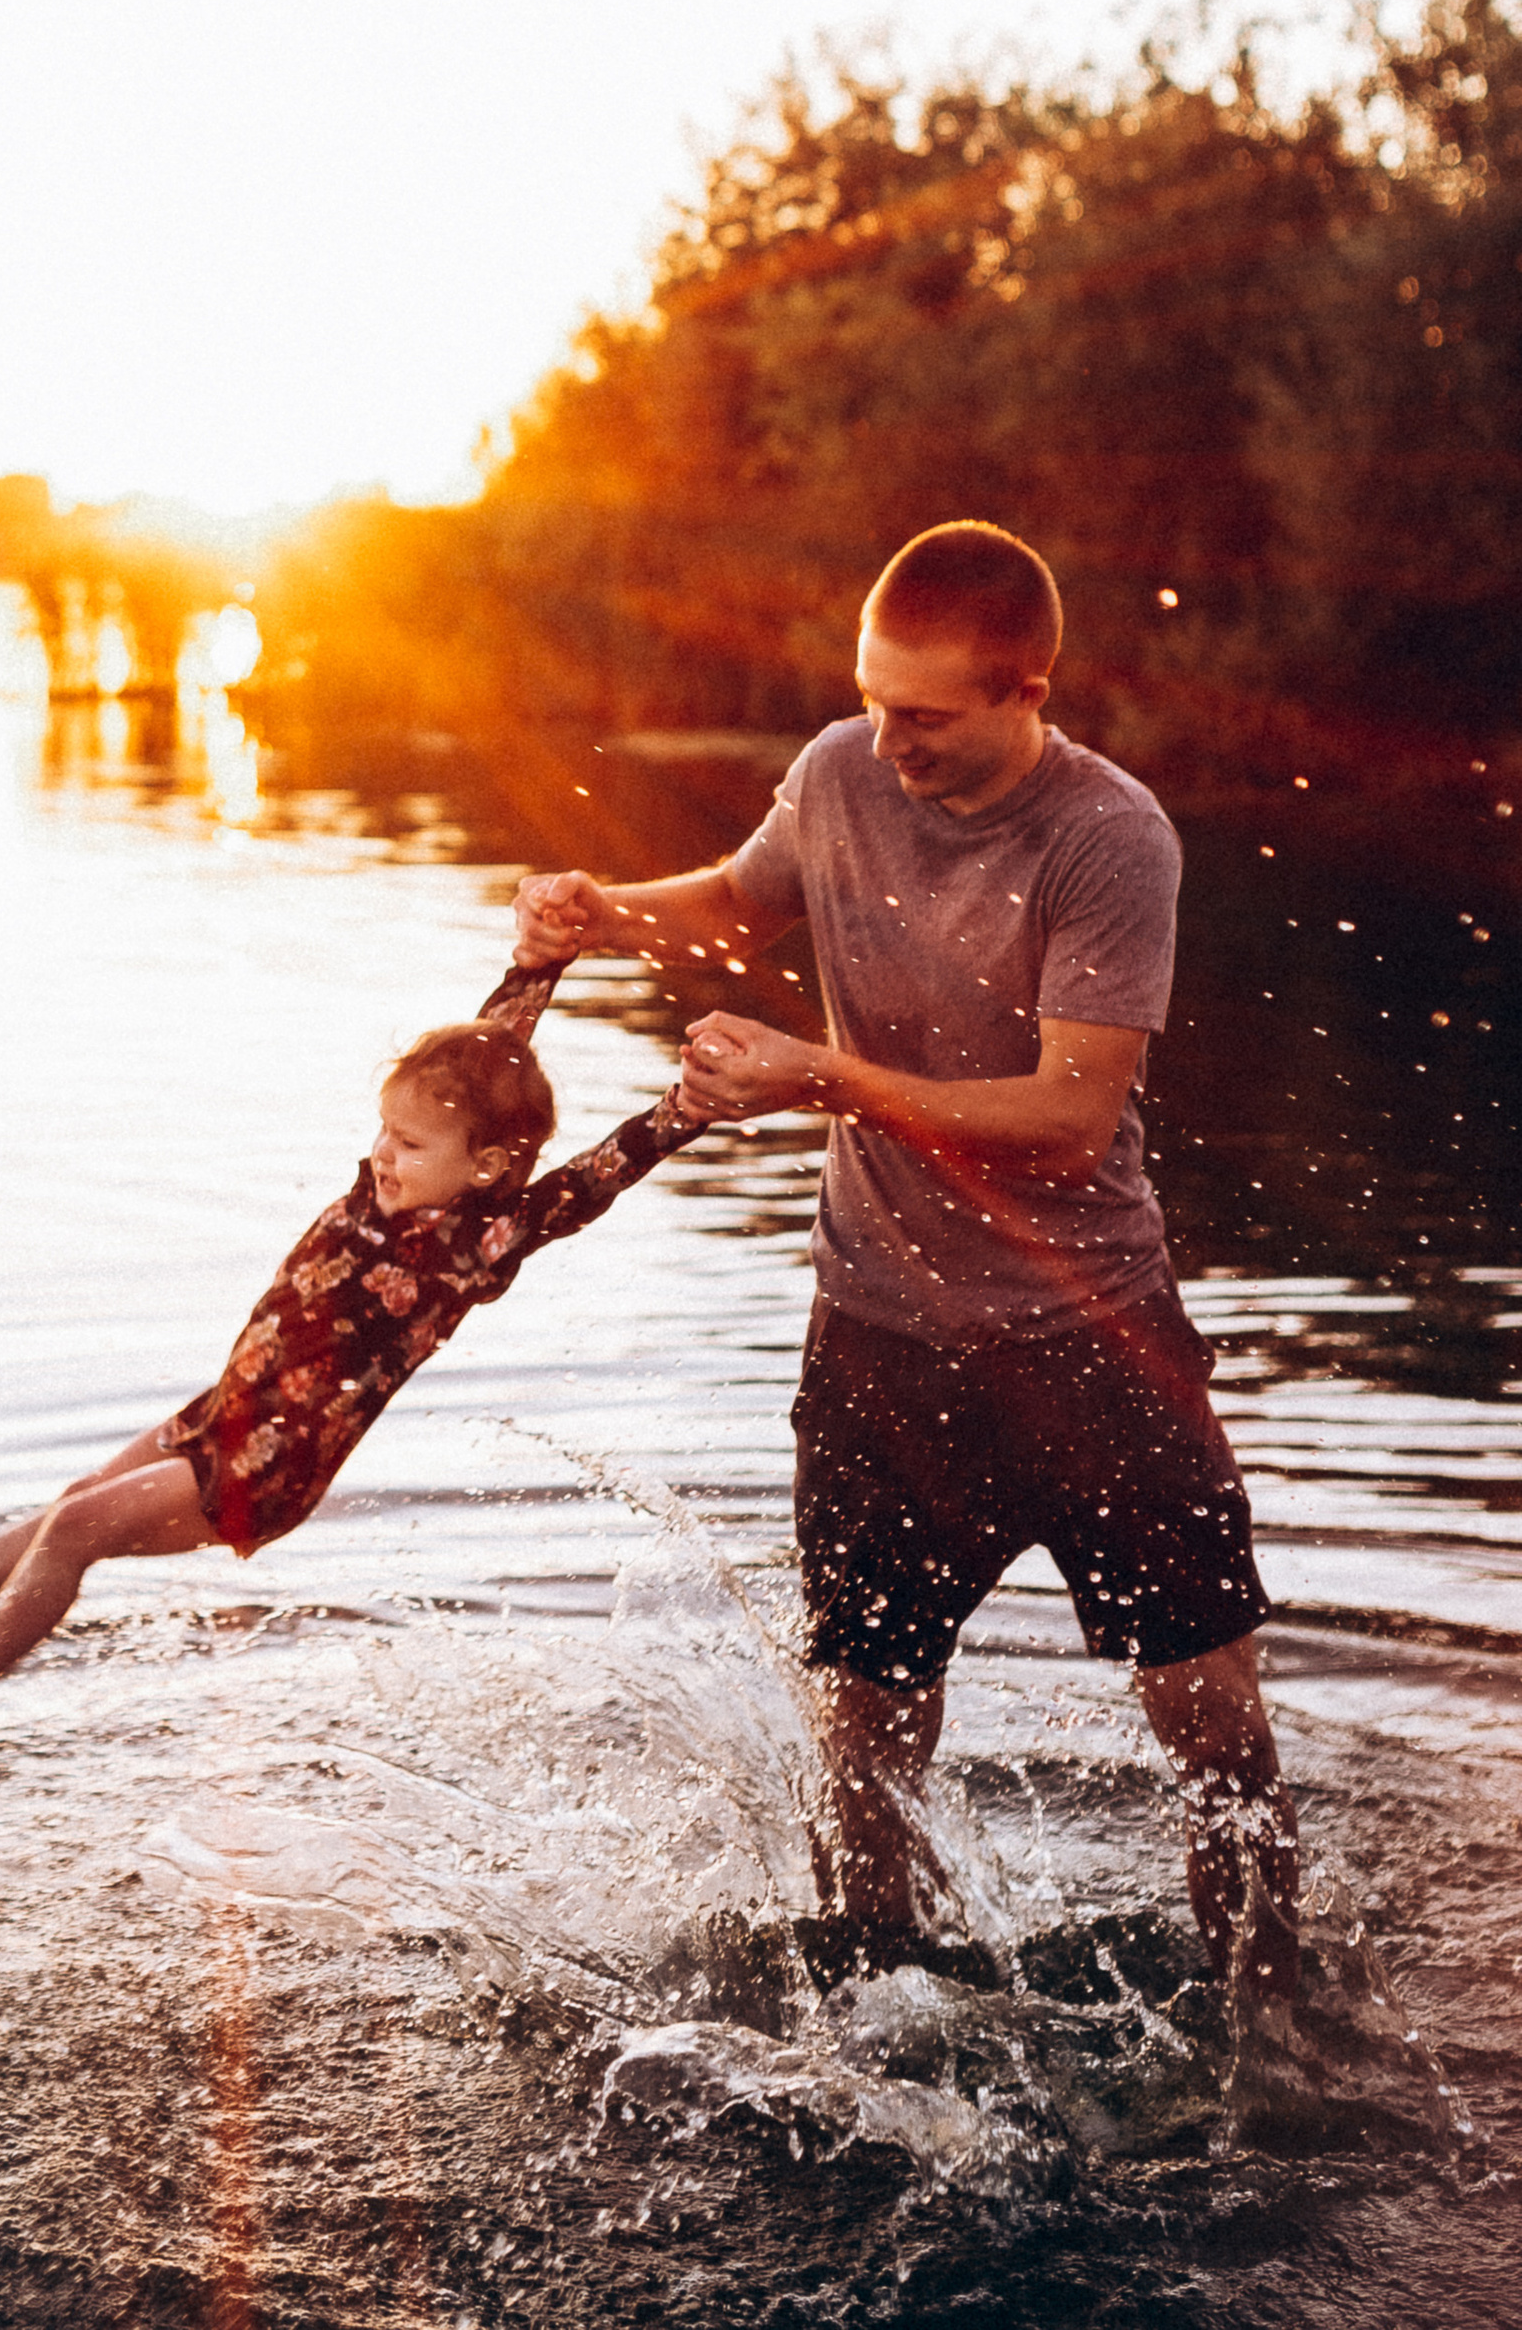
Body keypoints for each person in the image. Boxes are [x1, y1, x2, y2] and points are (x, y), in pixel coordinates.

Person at [518, 519, 1300, 1994]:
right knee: (870, 1719)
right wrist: (600, 912)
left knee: (1207, 1708)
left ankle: (1282, 2019)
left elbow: (1071, 1119)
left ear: (1029, 686)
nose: (889, 740)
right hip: (878, 1332)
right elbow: (745, 895)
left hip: (1092, 1332)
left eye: (926, 713)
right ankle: (876, 2007)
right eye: (875, 697)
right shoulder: (834, 768)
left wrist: (821, 1075)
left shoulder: (1109, 833)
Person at [0, 958, 709, 1722]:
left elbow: (600, 1172)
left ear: (486, 1166)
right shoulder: (393, 1187)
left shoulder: (480, 1241)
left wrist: (685, 1107)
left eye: (408, 1143)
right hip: (226, 1411)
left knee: (78, 1524)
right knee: (81, 1496)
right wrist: (541, 962)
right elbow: (490, 1052)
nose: (381, 1153)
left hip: (269, 1462)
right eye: (383, 1129)